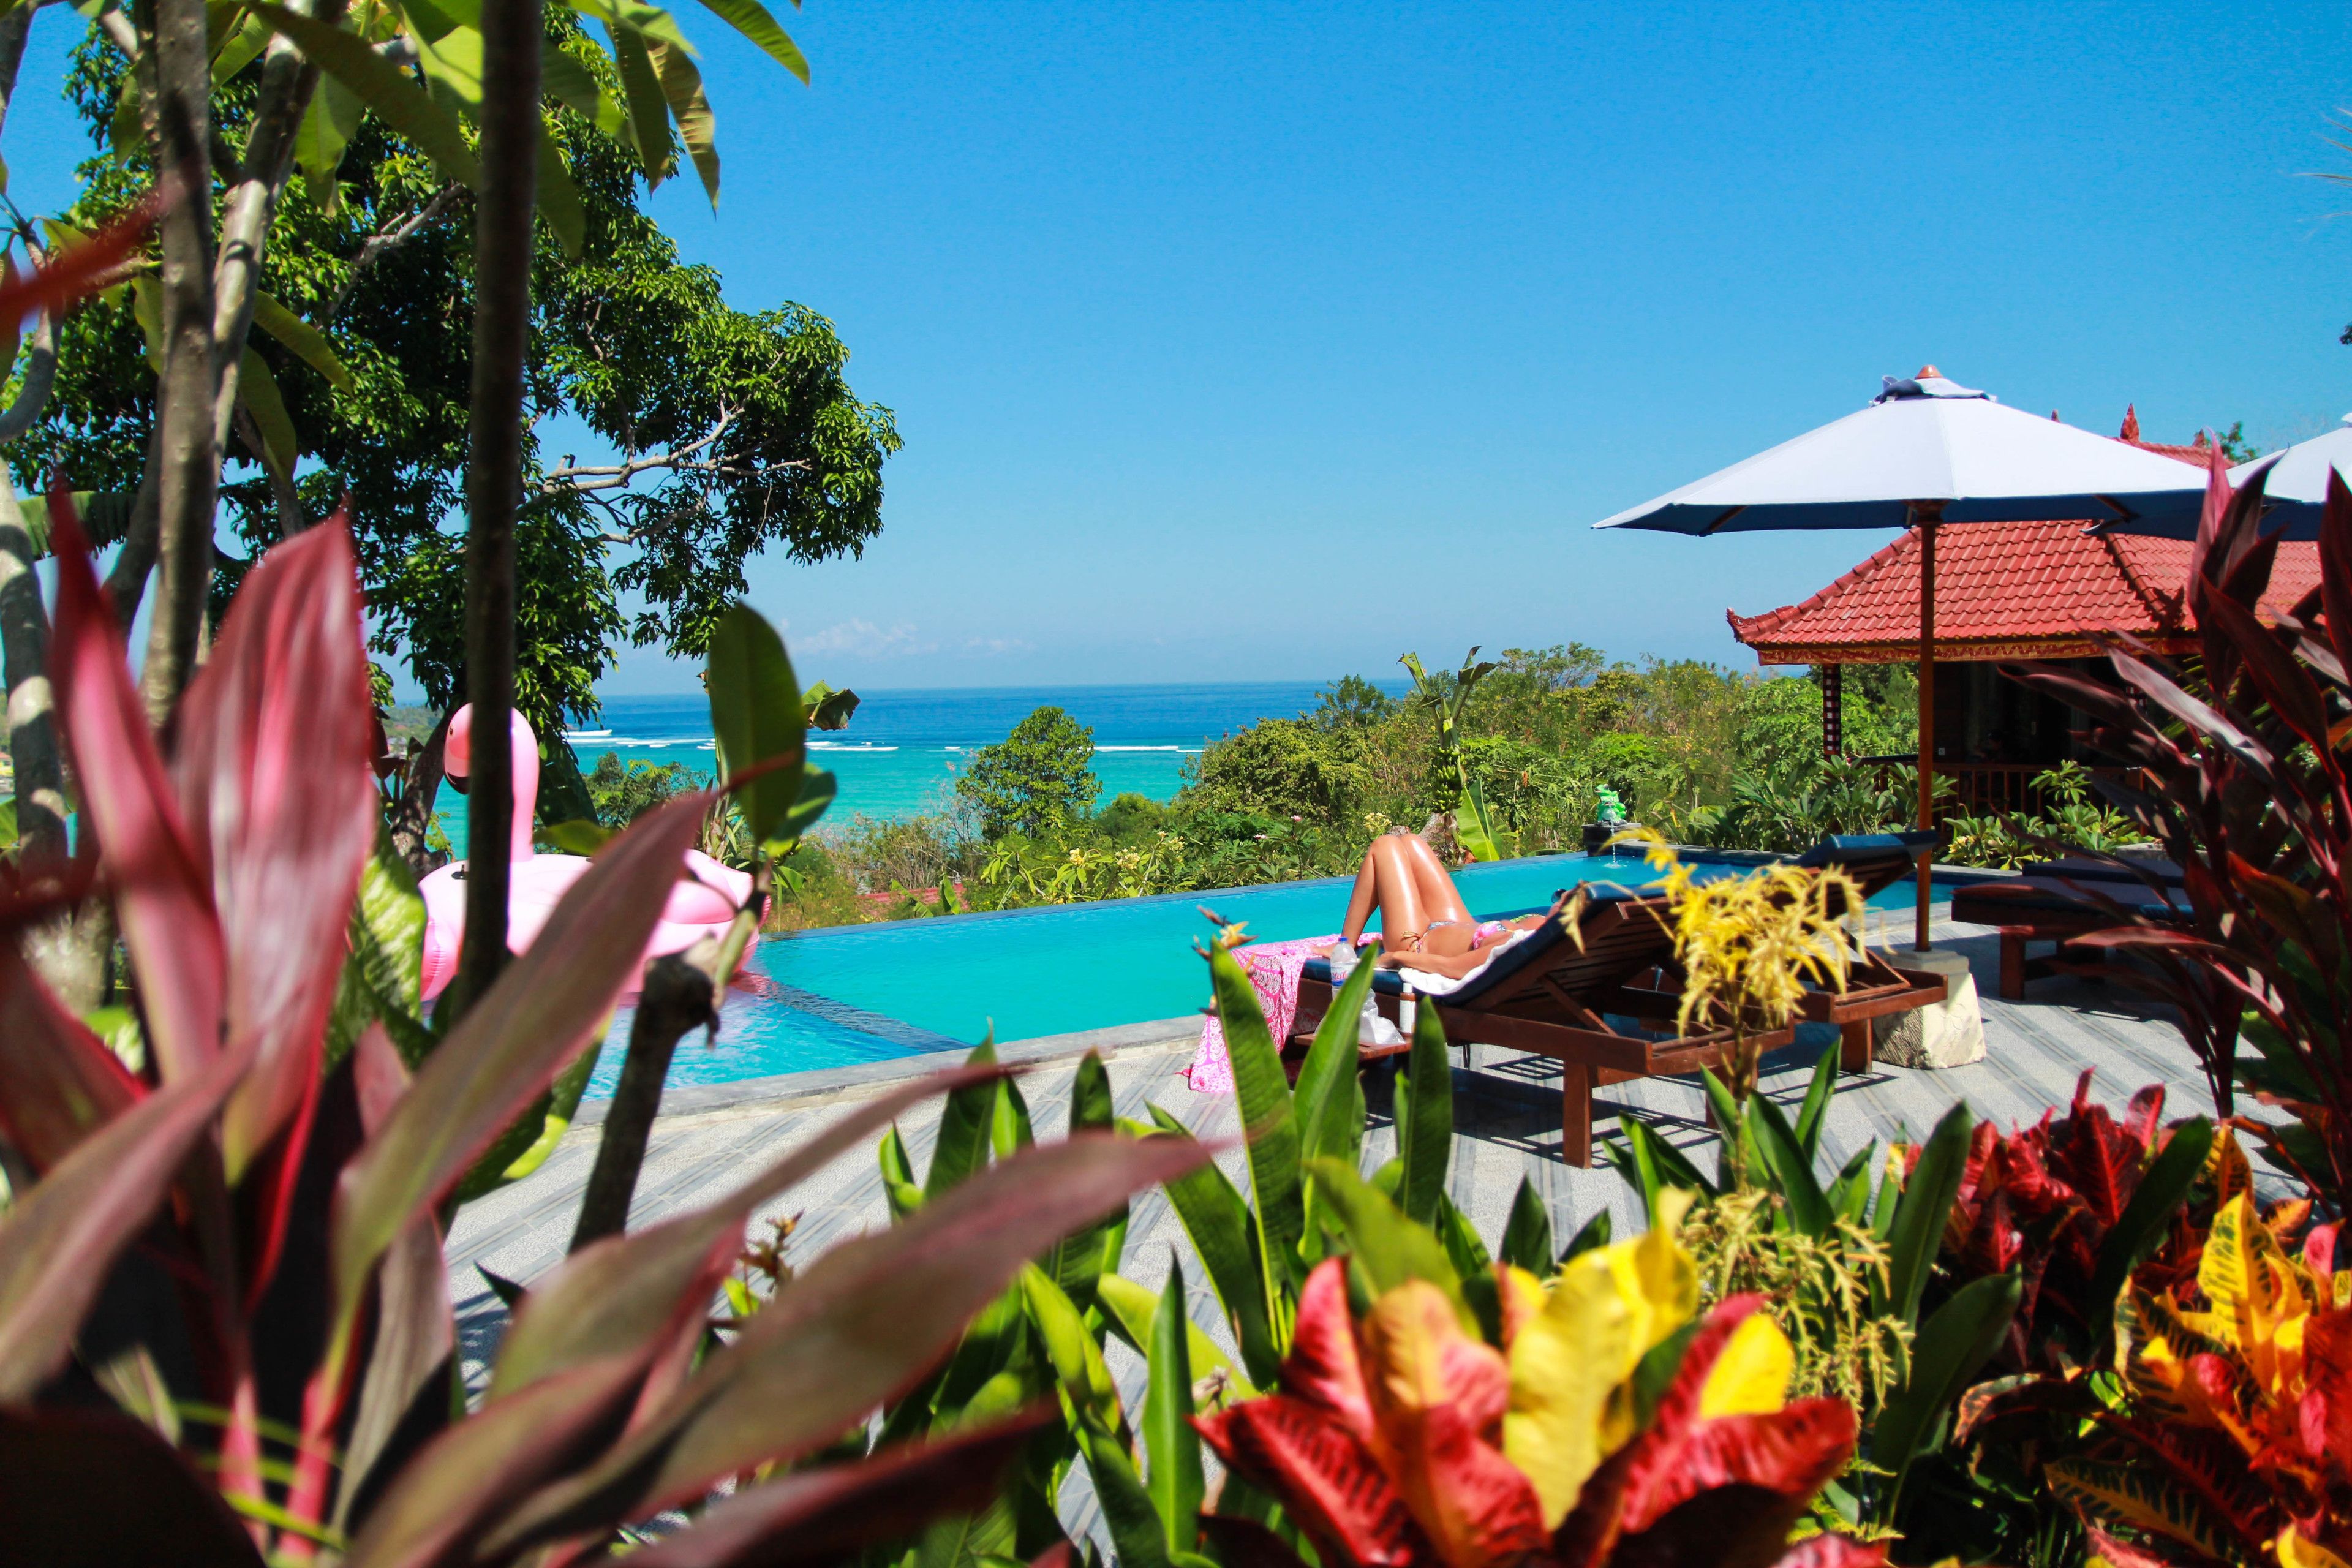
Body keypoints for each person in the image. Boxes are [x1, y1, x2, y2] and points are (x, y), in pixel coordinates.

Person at [1330, 828, 1545, 981]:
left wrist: (1396, 956)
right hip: (1454, 923)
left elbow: (1453, 968)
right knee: (1411, 842)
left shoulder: (1513, 948)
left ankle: (1344, 945)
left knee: (1385, 846)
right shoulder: (1546, 928)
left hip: (1416, 942)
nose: (1563, 896)